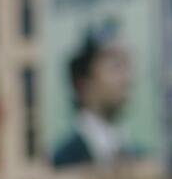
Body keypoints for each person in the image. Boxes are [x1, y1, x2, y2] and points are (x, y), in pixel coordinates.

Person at [50, 28, 138, 169]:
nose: (126, 79)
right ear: (83, 82)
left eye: (126, 66)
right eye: (115, 66)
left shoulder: (136, 154)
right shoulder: (61, 160)